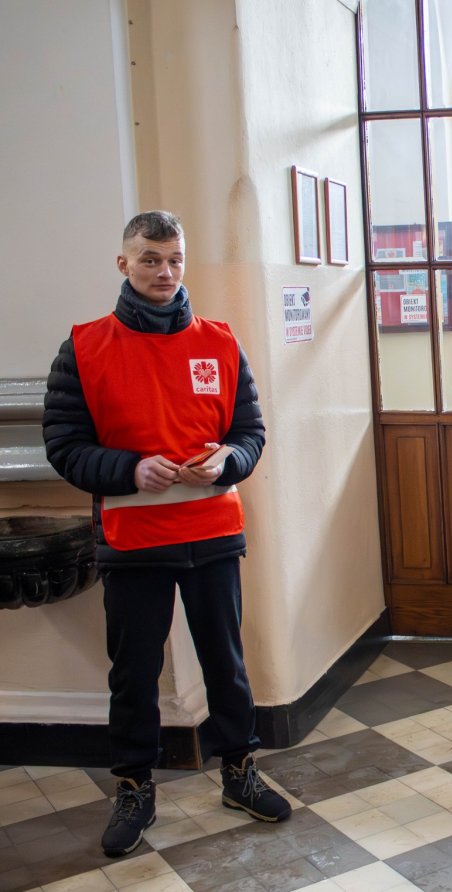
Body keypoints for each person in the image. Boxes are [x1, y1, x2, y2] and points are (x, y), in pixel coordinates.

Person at [42, 211, 291, 857]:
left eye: (174, 259)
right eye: (150, 259)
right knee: (134, 674)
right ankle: (134, 788)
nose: (165, 271)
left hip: (213, 533)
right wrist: (129, 469)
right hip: (133, 539)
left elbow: (250, 433)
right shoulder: (83, 347)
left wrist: (228, 461)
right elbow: (64, 447)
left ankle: (239, 773)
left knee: (226, 664)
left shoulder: (220, 342)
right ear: (123, 263)